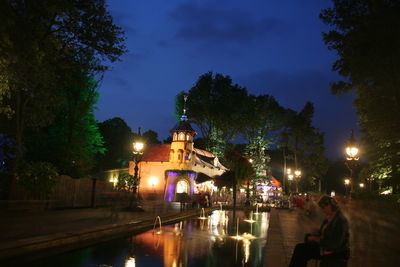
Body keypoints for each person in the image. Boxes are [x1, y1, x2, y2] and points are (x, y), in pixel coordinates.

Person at [289, 195, 350, 267]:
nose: (323, 211)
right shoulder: (330, 216)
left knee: (301, 251)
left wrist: (317, 239)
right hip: (325, 246)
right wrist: (316, 232)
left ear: (329, 206)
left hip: (334, 251)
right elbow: (326, 232)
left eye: (323, 208)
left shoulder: (340, 220)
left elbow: (335, 243)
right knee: (300, 248)